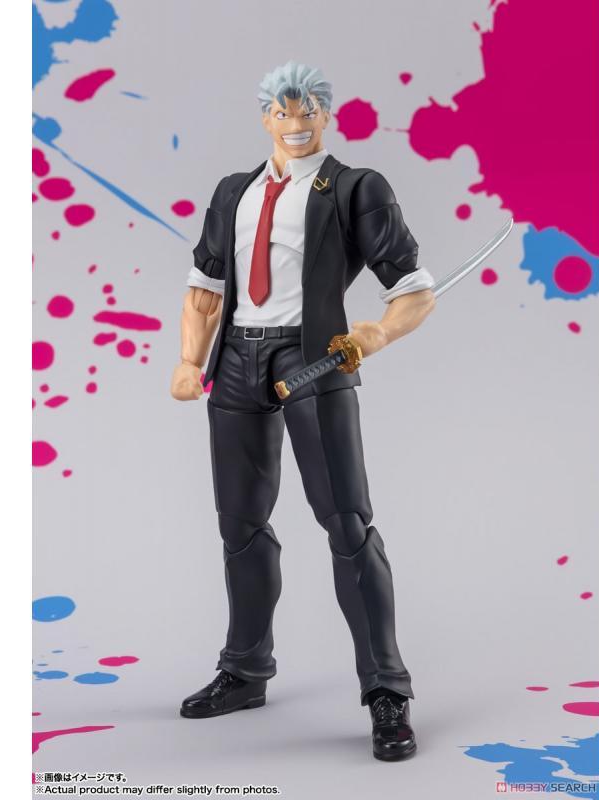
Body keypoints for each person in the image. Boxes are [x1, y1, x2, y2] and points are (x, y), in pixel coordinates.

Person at [170, 61, 435, 762]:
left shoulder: (354, 187)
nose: (295, 123)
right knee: (240, 524)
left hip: (312, 355)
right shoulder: (233, 192)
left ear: (326, 115)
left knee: (347, 523)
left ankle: (386, 689)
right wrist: (190, 359)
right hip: (236, 359)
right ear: (265, 117)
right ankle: (245, 668)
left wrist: (377, 333)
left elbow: (414, 289)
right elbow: (204, 288)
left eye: (308, 110)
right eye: (283, 112)